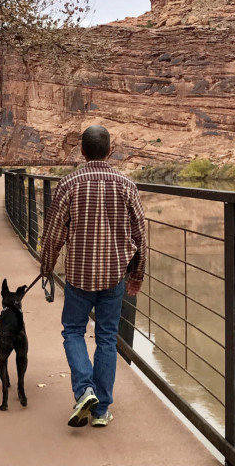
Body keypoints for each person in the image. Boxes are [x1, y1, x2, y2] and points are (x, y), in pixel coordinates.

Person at [40, 125, 146, 428]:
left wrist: (46, 267)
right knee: (106, 338)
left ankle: (85, 390)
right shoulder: (126, 184)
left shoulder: (69, 183)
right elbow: (140, 234)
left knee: (73, 331)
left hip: (79, 276)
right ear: (109, 151)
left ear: (82, 151)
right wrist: (137, 273)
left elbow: (53, 234)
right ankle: (101, 410)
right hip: (114, 275)